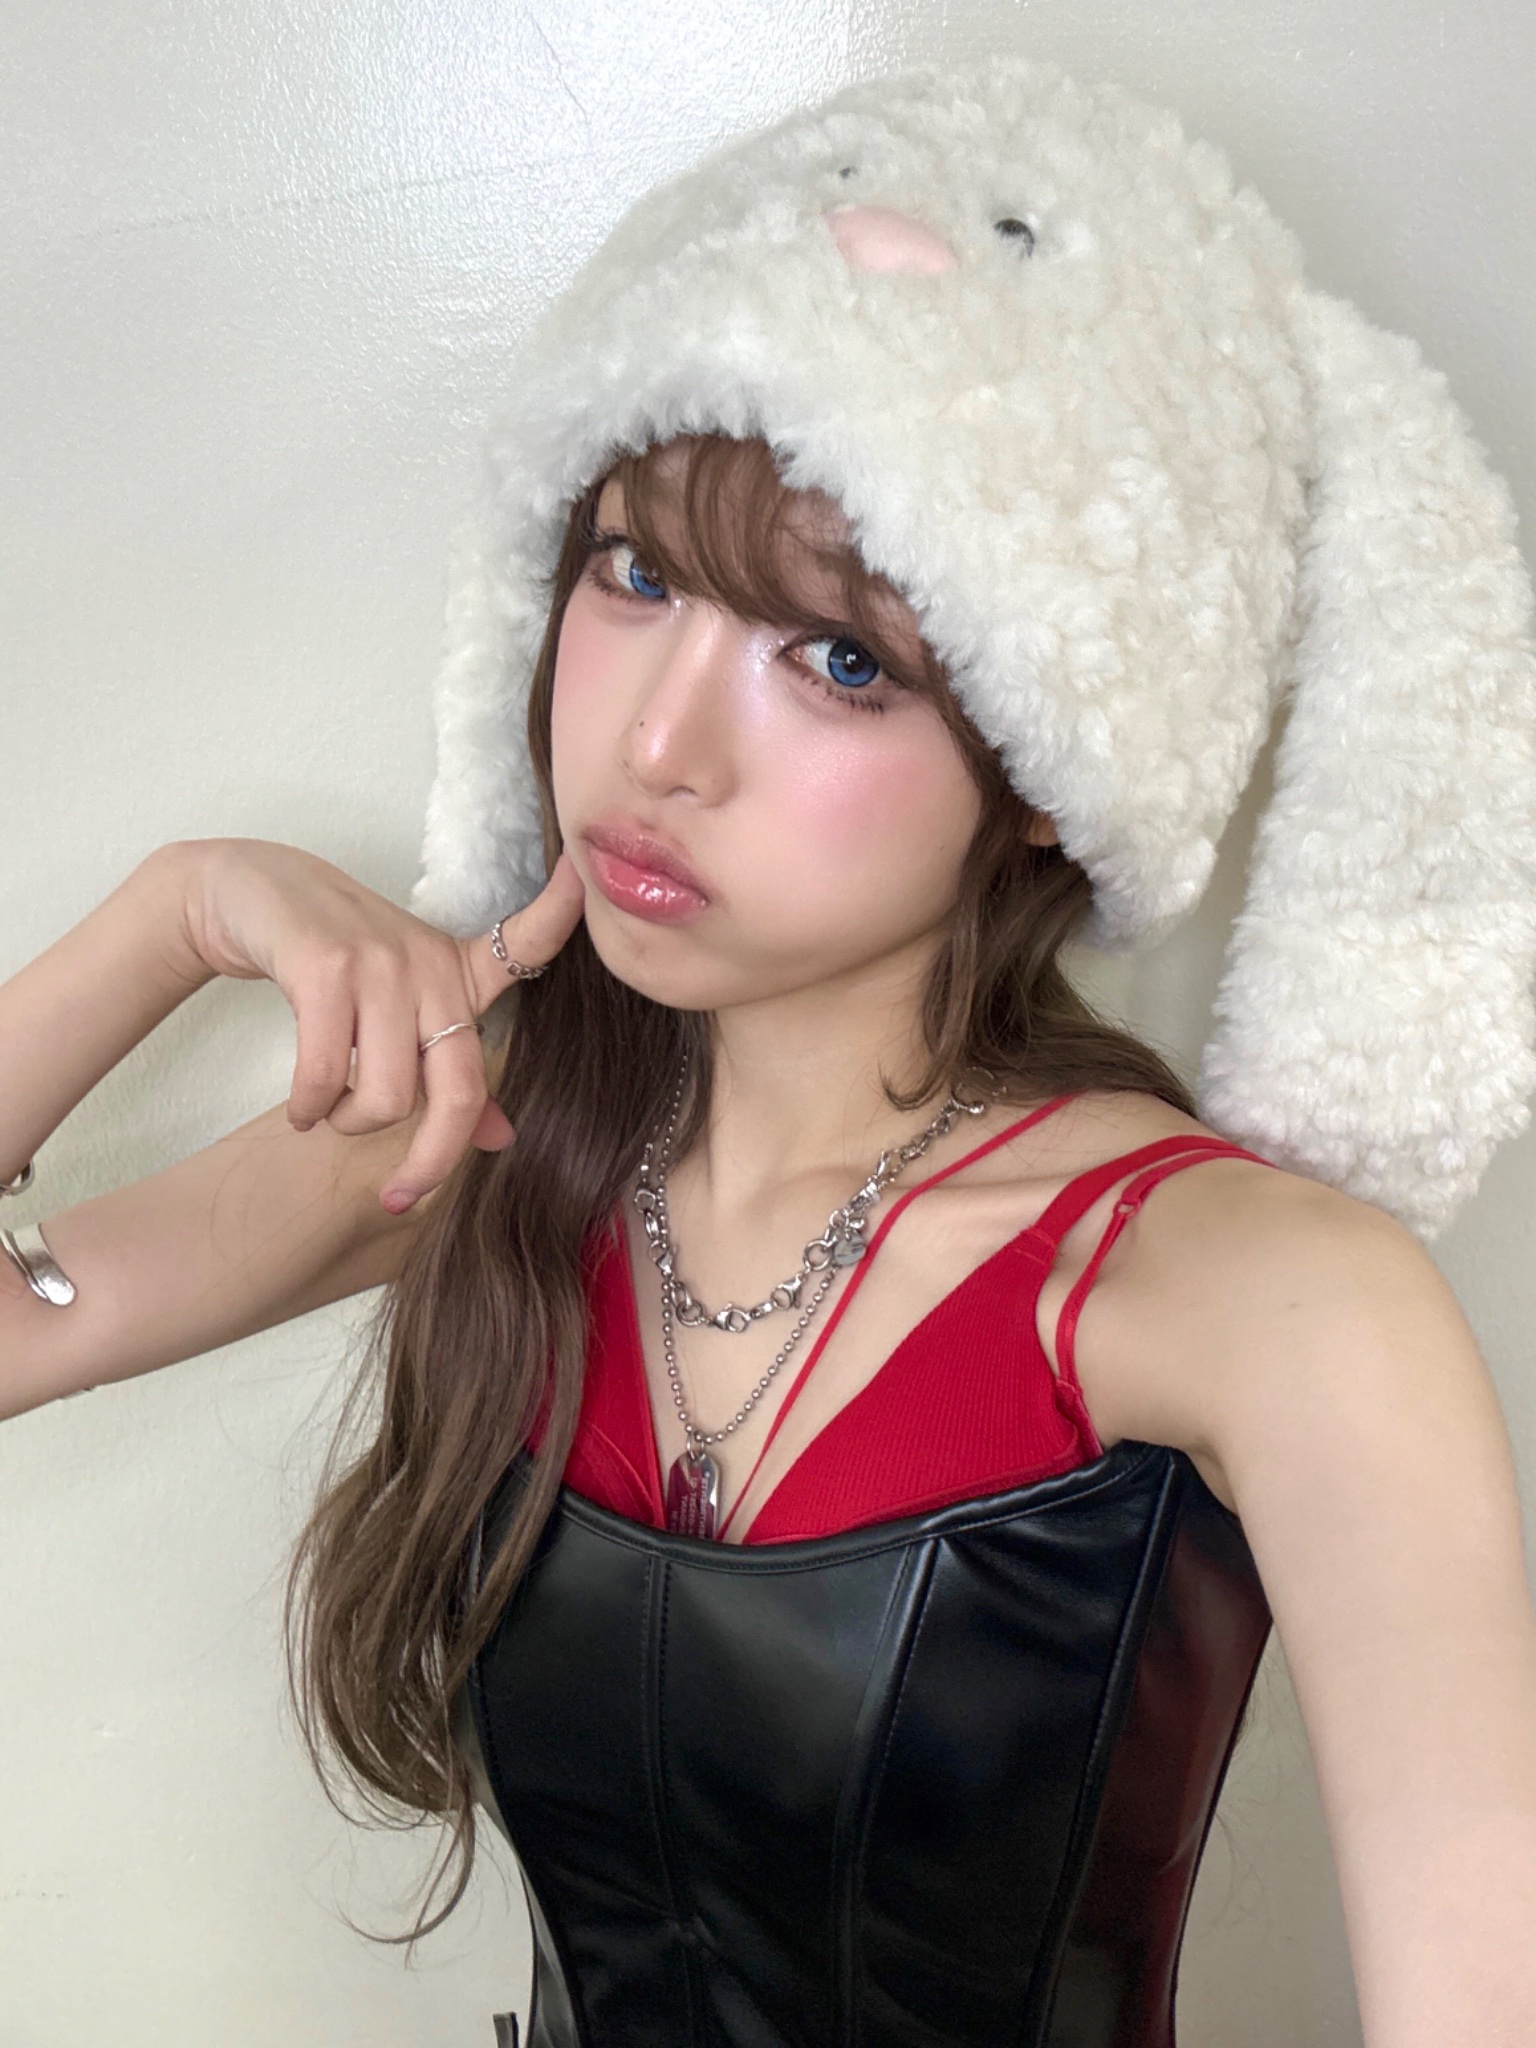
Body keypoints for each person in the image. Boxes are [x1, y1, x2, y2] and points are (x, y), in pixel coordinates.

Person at [5, 53, 1536, 2048]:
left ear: (1053, 759)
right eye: (635, 574)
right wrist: (175, 915)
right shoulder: (504, 1141)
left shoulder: (1268, 1296)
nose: (659, 744)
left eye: (839, 658)